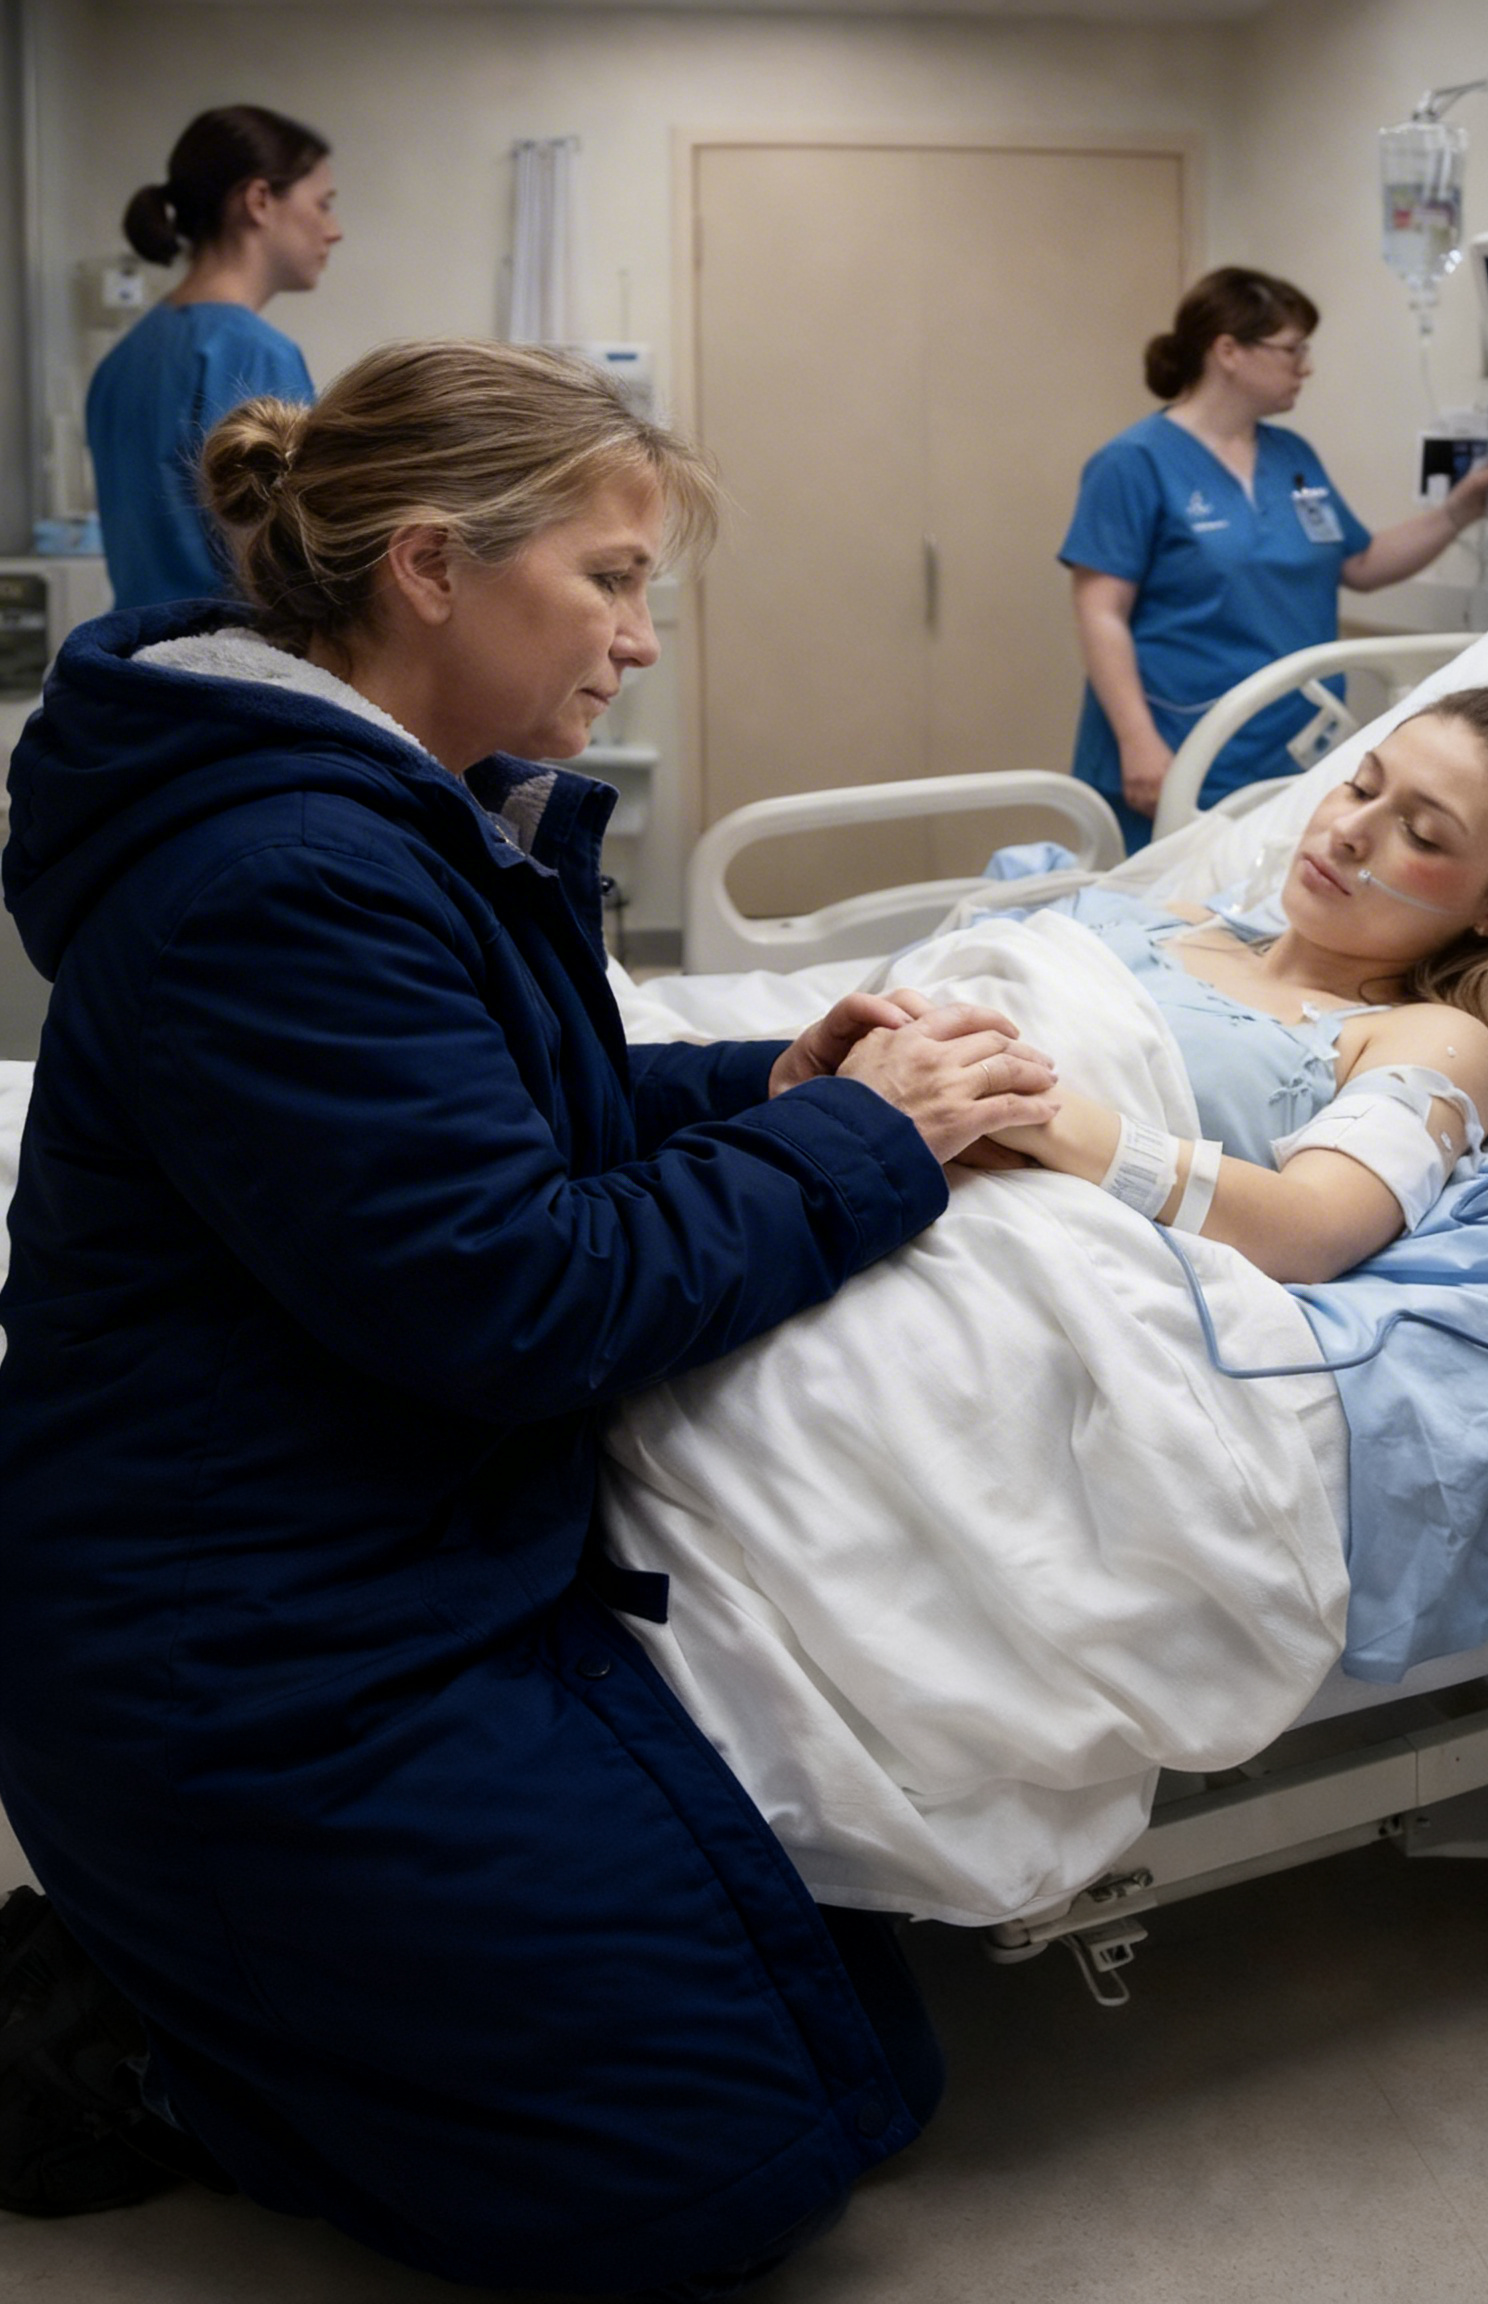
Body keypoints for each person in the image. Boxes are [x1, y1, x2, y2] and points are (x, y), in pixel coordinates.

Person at [0, 342, 1060, 2293]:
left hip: (391, 1566)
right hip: (236, 1650)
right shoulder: (284, 875)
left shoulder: (387, 813)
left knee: (856, 2060)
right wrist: (868, 1143)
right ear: (430, 567)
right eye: (611, 579)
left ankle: (243, 1970)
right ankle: (138, 2043)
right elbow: (518, 1291)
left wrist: (770, 1082)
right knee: (701, 2181)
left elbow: (499, 1120)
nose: (639, 639)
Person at [994, 682, 1488, 1279]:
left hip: (1003, 1218)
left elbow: (1313, 1228)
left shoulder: (1424, 1039)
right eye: (1361, 785)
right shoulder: (1175, 918)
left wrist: (1031, 1116)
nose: (1349, 828)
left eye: (1421, 833)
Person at [1061, 265, 1488, 849]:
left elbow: (1360, 564)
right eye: (1293, 349)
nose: (1306, 366)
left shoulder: (1292, 457)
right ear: (1228, 352)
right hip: (1177, 745)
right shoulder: (1133, 463)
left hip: (1291, 744)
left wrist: (1457, 513)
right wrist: (1136, 741)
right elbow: (1101, 612)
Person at [86, 105, 341, 610]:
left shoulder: (121, 362)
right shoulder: (256, 354)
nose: (334, 230)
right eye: (323, 204)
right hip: (232, 649)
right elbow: (286, 569)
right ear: (259, 200)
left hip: (138, 648)